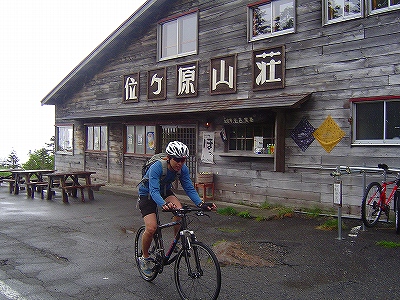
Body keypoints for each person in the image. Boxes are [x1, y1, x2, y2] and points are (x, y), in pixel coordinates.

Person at [137, 141, 216, 275]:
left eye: (183, 160)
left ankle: (176, 242)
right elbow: (154, 190)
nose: (180, 163)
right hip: (148, 194)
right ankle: (144, 258)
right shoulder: (157, 167)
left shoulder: (182, 169)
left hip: (165, 191)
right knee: (151, 228)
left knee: (179, 212)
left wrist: (201, 204)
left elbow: (189, 188)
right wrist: (164, 204)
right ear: (169, 158)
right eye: (177, 160)